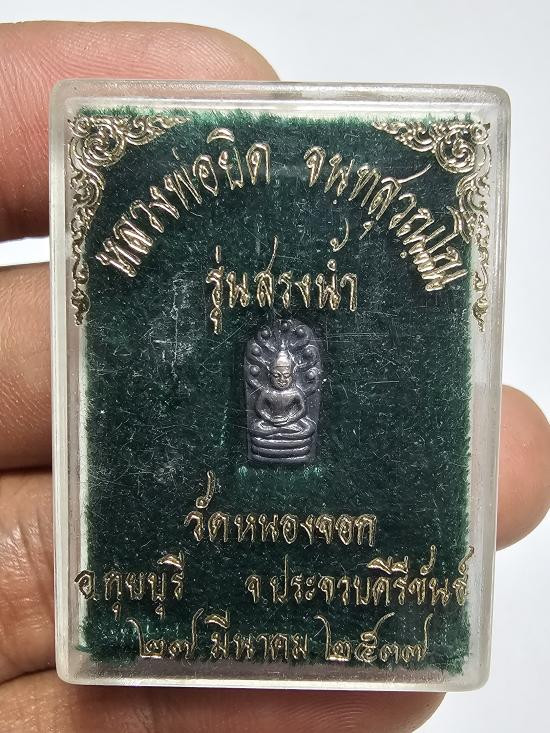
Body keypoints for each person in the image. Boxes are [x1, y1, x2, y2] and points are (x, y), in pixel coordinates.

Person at [0, 20, 548, 733]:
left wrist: (286, 409)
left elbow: (289, 408)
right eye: (274, 368)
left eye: (293, 370)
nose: (282, 377)